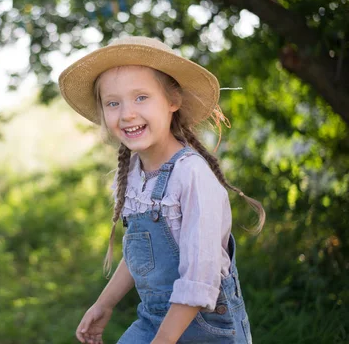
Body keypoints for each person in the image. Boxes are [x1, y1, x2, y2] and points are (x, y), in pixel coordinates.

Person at [58, 36, 265, 344]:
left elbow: (199, 281)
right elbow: (142, 254)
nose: (127, 113)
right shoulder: (132, 177)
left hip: (208, 330)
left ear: (172, 100)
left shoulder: (192, 175)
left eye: (141, 97)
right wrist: (104, 304)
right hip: (153, 321)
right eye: (113, 103)